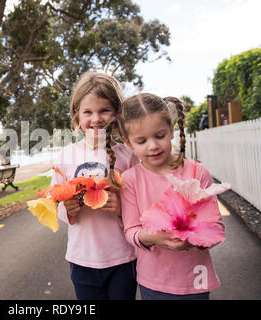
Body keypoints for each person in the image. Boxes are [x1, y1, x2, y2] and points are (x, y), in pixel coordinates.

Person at [117, 93, 225, 300]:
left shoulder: (197, 173)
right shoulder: (130, 180)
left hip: (196, 280)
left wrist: (194, 239)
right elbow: (131, 231)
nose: (153, 146)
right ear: (128, 142)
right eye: (141, 141)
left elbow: (216, 228)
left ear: (172, 130)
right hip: (153, 281)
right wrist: (156, 238)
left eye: (159, 136)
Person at [52, 71, 139, 300]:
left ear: (116, 114)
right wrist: (67, 209)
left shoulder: (127, 156)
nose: (96, 118)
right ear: (76, 114)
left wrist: (121, 208)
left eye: (104, 111)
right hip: (82, 258)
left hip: (122, 257)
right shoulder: (65, 156)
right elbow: (55, 204)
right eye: (87, 112)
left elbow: (141, 208)